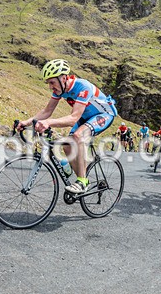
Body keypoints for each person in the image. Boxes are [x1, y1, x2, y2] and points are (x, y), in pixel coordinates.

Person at [18, 59, 117, 194]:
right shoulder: (60, 89)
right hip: (86, 117)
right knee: (67, 145)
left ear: (63, 78)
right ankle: (83, 179)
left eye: (52, 82)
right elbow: (47, 111)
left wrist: (48, 122)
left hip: (104, 114)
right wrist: (26, 122)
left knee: (78, 136)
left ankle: (82, 182)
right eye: (48, 83)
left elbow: (73, 118)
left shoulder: (83, 87)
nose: (50, 87)